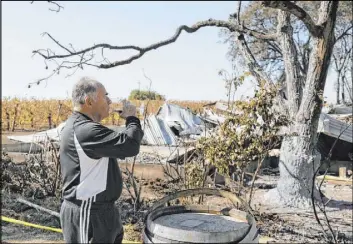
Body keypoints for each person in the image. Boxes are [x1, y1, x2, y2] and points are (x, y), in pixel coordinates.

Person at [59, 77, 144, 243]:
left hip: (101, 211)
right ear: (89, 101)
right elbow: (130, 146)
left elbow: (123, 144)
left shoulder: (84, 127)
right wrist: (132, 118)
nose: (110, 101)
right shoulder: (85, 130)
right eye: (105, 96)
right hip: (87, 211)